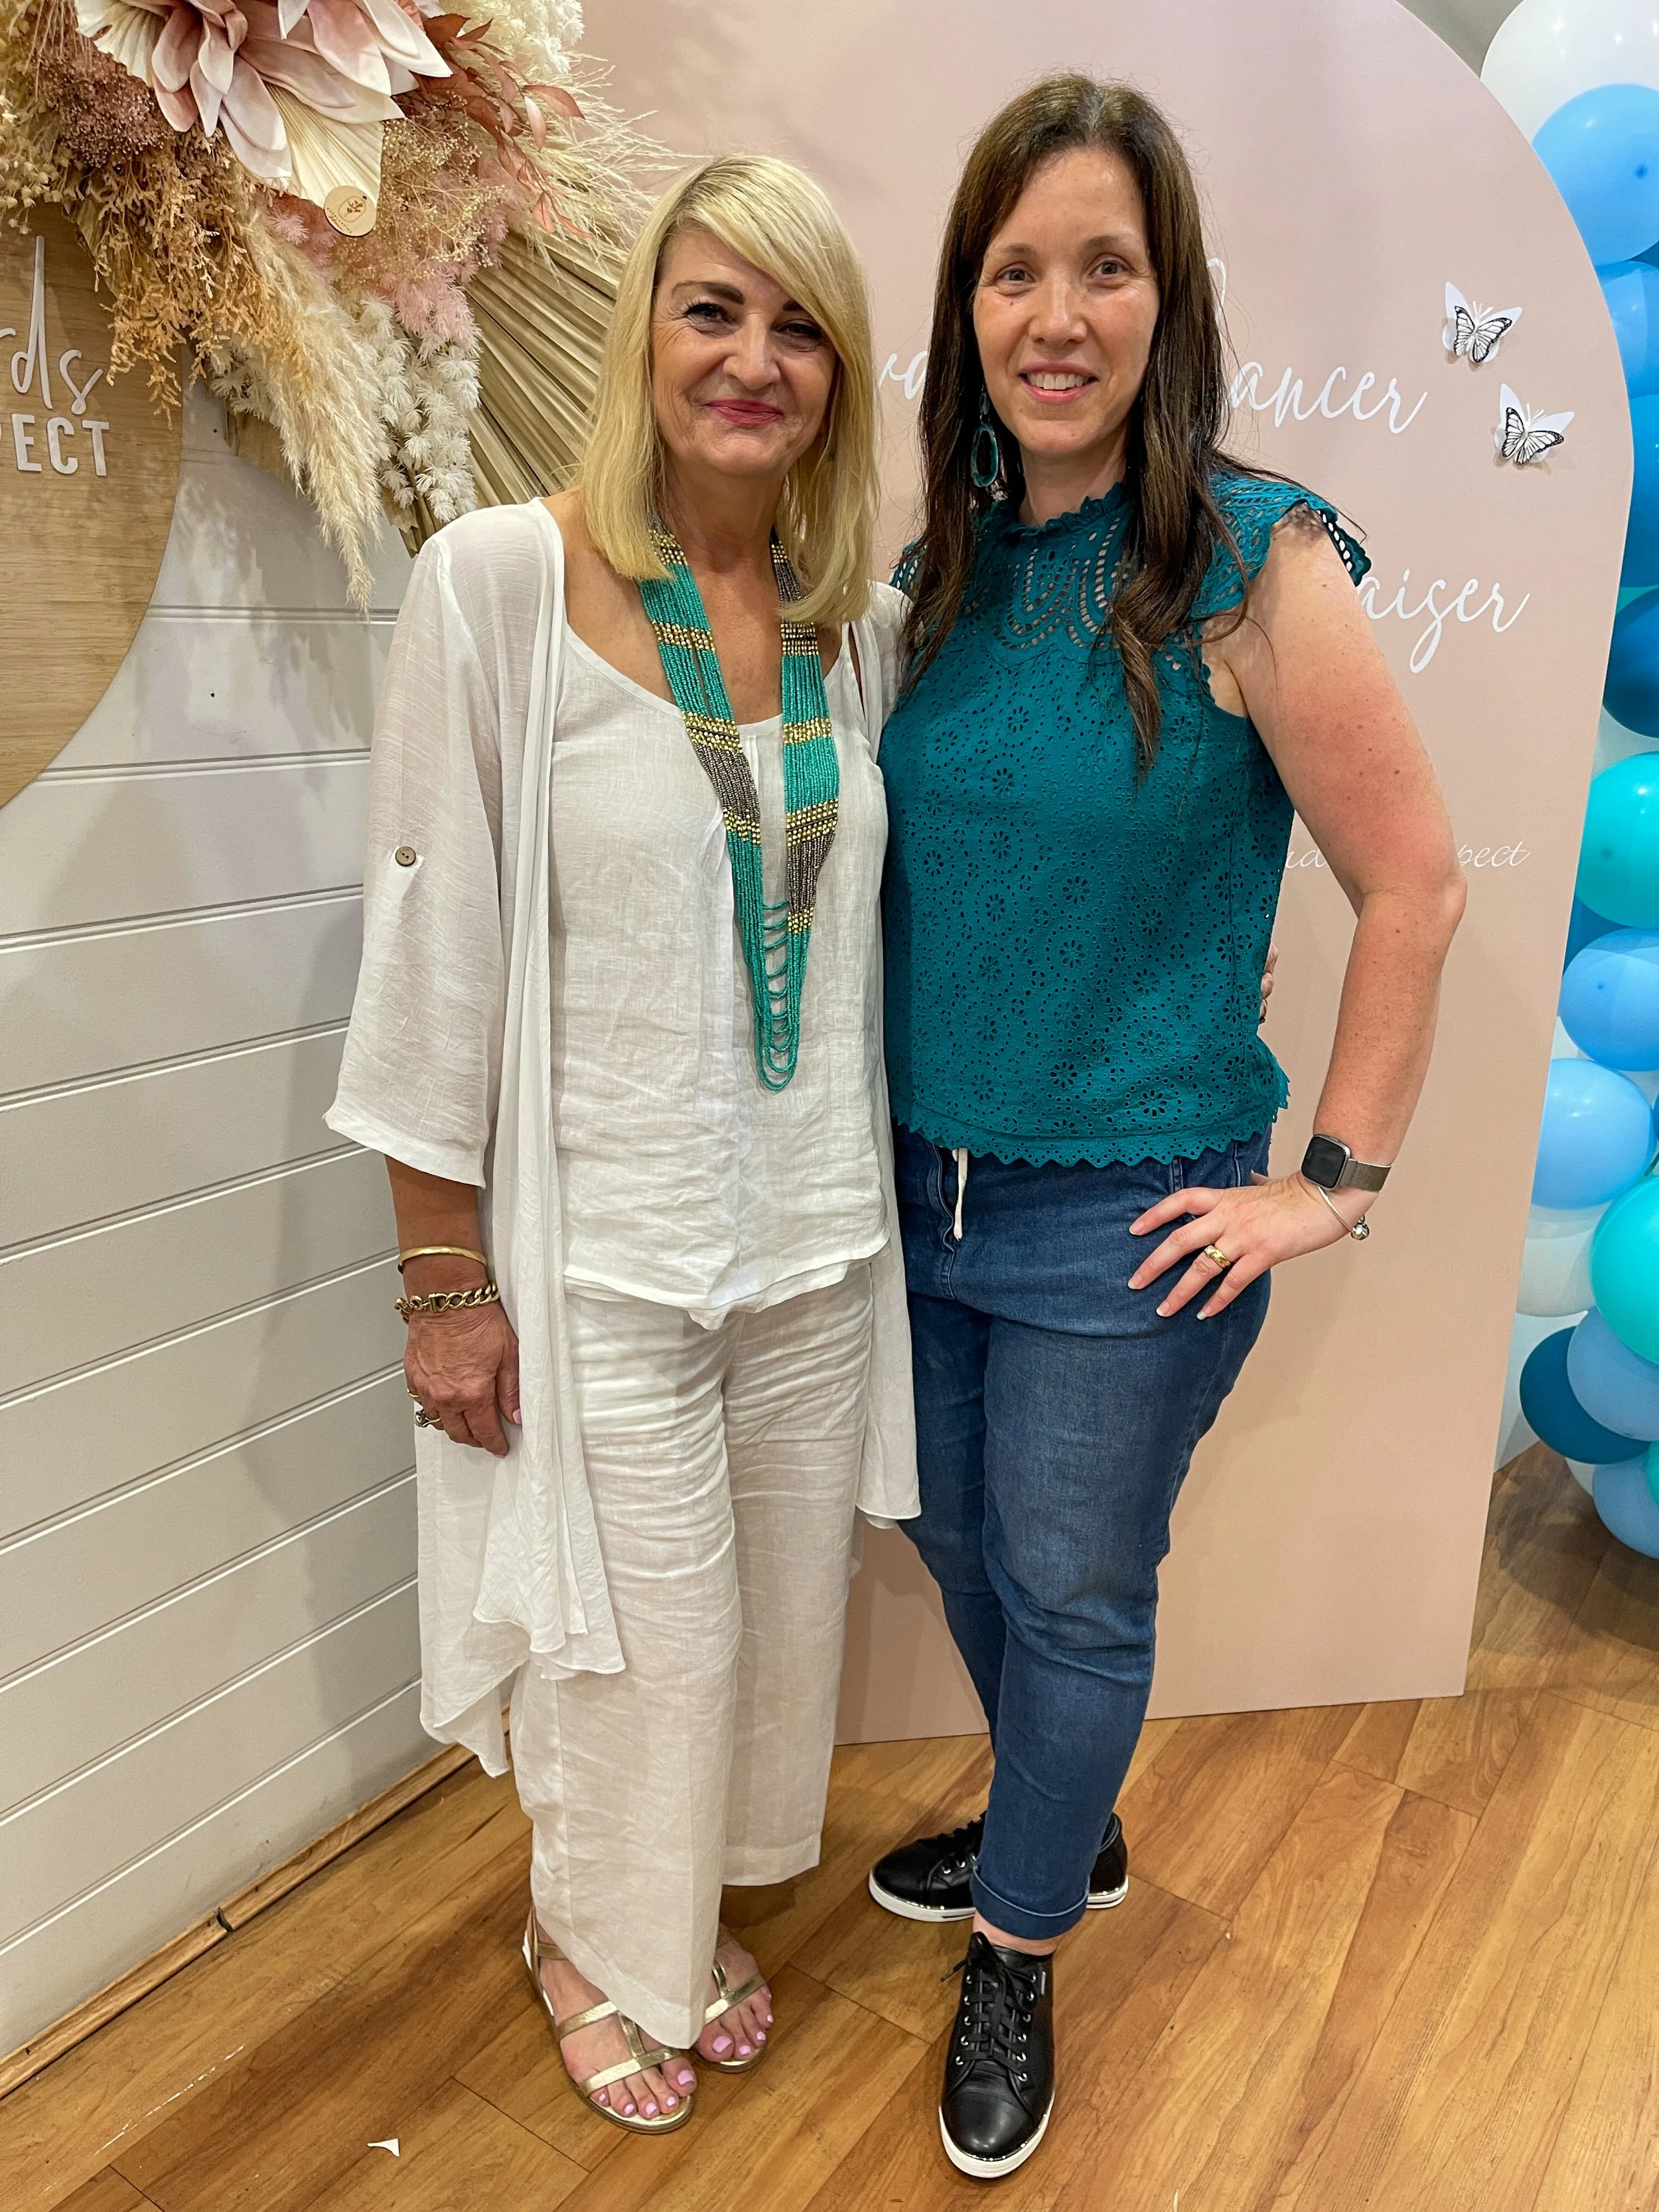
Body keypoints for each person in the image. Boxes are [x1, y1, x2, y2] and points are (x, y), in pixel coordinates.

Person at [865, 75, 1466, 2181]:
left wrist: (1333, 1184)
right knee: (955, 1545)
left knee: (1076, 1584)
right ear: (967, 306)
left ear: (1163, 297)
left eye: (1100, 264)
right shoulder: (941, 567)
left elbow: (1414, 877)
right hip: (915, 1189)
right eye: (1013, 267)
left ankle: (1024, 1938)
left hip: (1129, 1212)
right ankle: (1065, 1812)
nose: (1055, 309)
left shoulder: (1248, 552)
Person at [326, 153, 918, 2136]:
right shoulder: (499, 580)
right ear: (645, 329)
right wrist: (441, 1279)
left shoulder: (850, 624)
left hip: (815, 1236)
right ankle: (587, 1933)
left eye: (800, 325)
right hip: (609, 1257)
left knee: (767, 1635)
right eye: (713, 308)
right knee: (635, 1646)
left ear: (838, 373)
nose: (753, 360)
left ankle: (670, 1918)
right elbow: (429, 945)